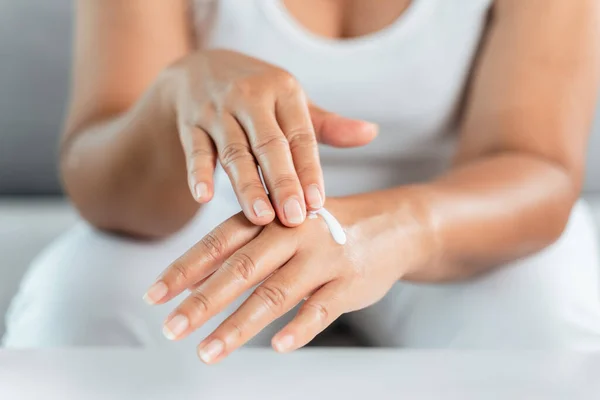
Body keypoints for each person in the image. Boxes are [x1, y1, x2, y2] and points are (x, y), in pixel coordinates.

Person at [4, 0, 600, 363]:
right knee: (76, 314)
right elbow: (98, 187)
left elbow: (537, 164)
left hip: (456, 213)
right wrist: (173, 98)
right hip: (214, 209)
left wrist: (391, 230)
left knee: (546, 330)